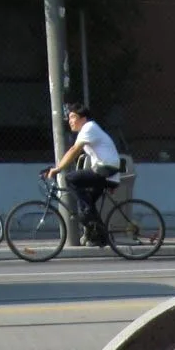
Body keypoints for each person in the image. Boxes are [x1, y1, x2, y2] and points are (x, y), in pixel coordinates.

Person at [44, 103, 121, 245]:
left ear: (83, 118)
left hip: (105, 169)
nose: (70, 120)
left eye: (73, 117)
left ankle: (86, 215)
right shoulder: (90, 130)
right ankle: (101, 237)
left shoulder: (89, 127)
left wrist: (58, 168)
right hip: (108, 171)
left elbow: (74, 150)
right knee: (89, 203)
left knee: (71, 178)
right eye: (69, 117)